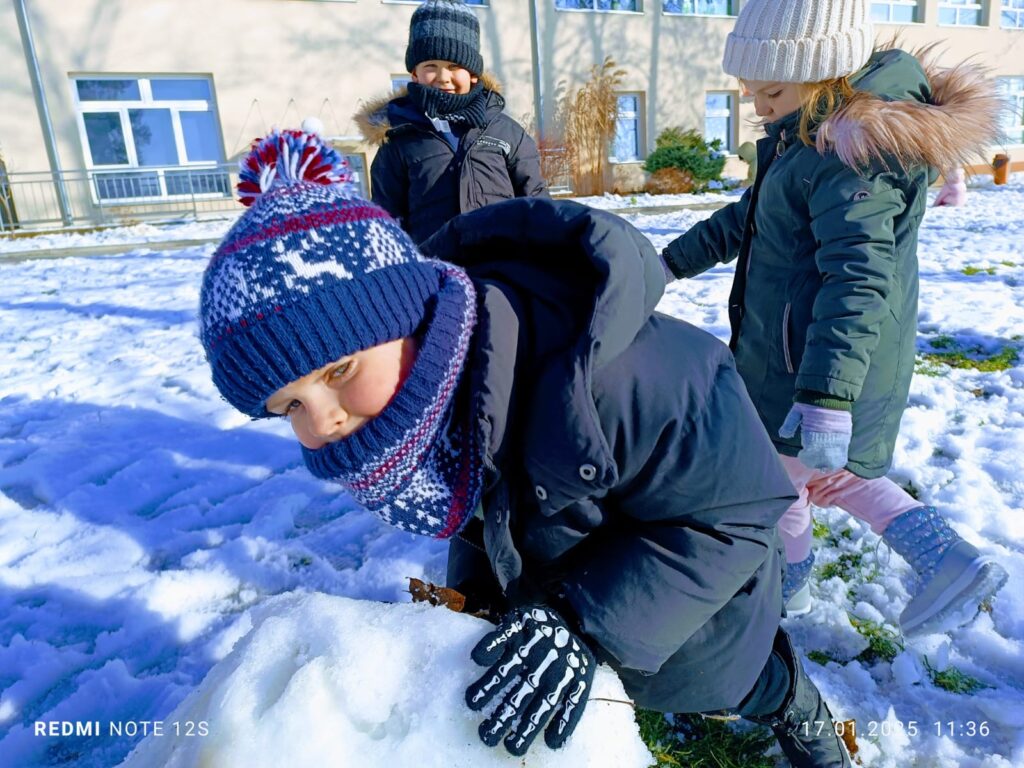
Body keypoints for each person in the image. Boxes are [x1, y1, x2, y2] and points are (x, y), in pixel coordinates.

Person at [200, 127, 855, 766]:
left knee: (734, 687)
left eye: (337, 372)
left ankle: (798, 704)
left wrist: (583, 620)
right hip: (564, 595)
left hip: (700, 621)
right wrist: (475, 604)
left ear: (410, 318)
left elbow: (736, 515)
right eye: (287, 408)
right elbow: (480, 507)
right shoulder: (428, 404)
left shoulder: (629, 377)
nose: (322, 424)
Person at [661, 0, 1008, 635]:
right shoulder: (804, 142)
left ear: (827, 76)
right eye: (747, 89)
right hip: (805, 362)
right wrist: (664, 266)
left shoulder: (851, 156)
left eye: (769, 89)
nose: (756, 104)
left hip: (823, 369)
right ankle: (830, 578)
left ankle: (900, 568)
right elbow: (746, 220)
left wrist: (826, 396)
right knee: (806, 481)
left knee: (793, 480)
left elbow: (858, 278)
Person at [355, 0, 547, 245]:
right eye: (431, 66)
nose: (443, 77)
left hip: (503, 269)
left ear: (474, 73)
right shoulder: (399, 140)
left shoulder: (506, 133)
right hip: (433, 273)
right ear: (415, 73)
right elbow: (388, 221)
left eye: (455, 66)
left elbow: (537, 203)